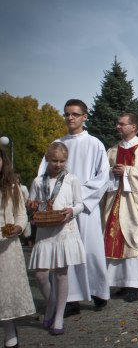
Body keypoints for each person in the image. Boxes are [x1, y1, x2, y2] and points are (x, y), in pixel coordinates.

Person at [38, 99, 110, 317]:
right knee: (64, 254)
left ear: (84, 117)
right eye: (67, 114)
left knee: (90, 251)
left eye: (75, 114)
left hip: (84, 208)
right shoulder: (56, 144)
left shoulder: (94, 144)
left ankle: (98, 291)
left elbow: (102, 177)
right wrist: (52, 201)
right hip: (59, 210)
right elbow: (42, 174)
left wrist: (78, 201)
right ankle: (69, 299)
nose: (70, 118)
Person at [27, 142, 86, 336]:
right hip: (45, 231)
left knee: (61, 274)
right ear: (47, 160)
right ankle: (50, 303)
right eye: (54, 161)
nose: (58, 165)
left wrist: (72, 211)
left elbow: (80, 204)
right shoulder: (38, 181)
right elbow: (33, 203)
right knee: (41, 274)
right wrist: (33, 205)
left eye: (62, 161)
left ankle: (59, 315)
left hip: (64, 230)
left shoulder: (71, 179)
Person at [103, 113, 138, 302]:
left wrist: (127, 171)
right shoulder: (112, 150)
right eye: (117, 124)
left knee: (135, 241)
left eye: (122, 124)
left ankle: (134, 285)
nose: (117, 127)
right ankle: (117, 283)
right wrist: (112, 173)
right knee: (112, 238)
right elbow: (103, 175)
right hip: (114, 200)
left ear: (133, 127)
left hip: (136, 203)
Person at [0, 146, 35, 348]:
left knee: (6, 289)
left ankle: (9, 329)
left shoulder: (12, 187)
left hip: (6, 245)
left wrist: (19, 227)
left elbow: (21, 214)